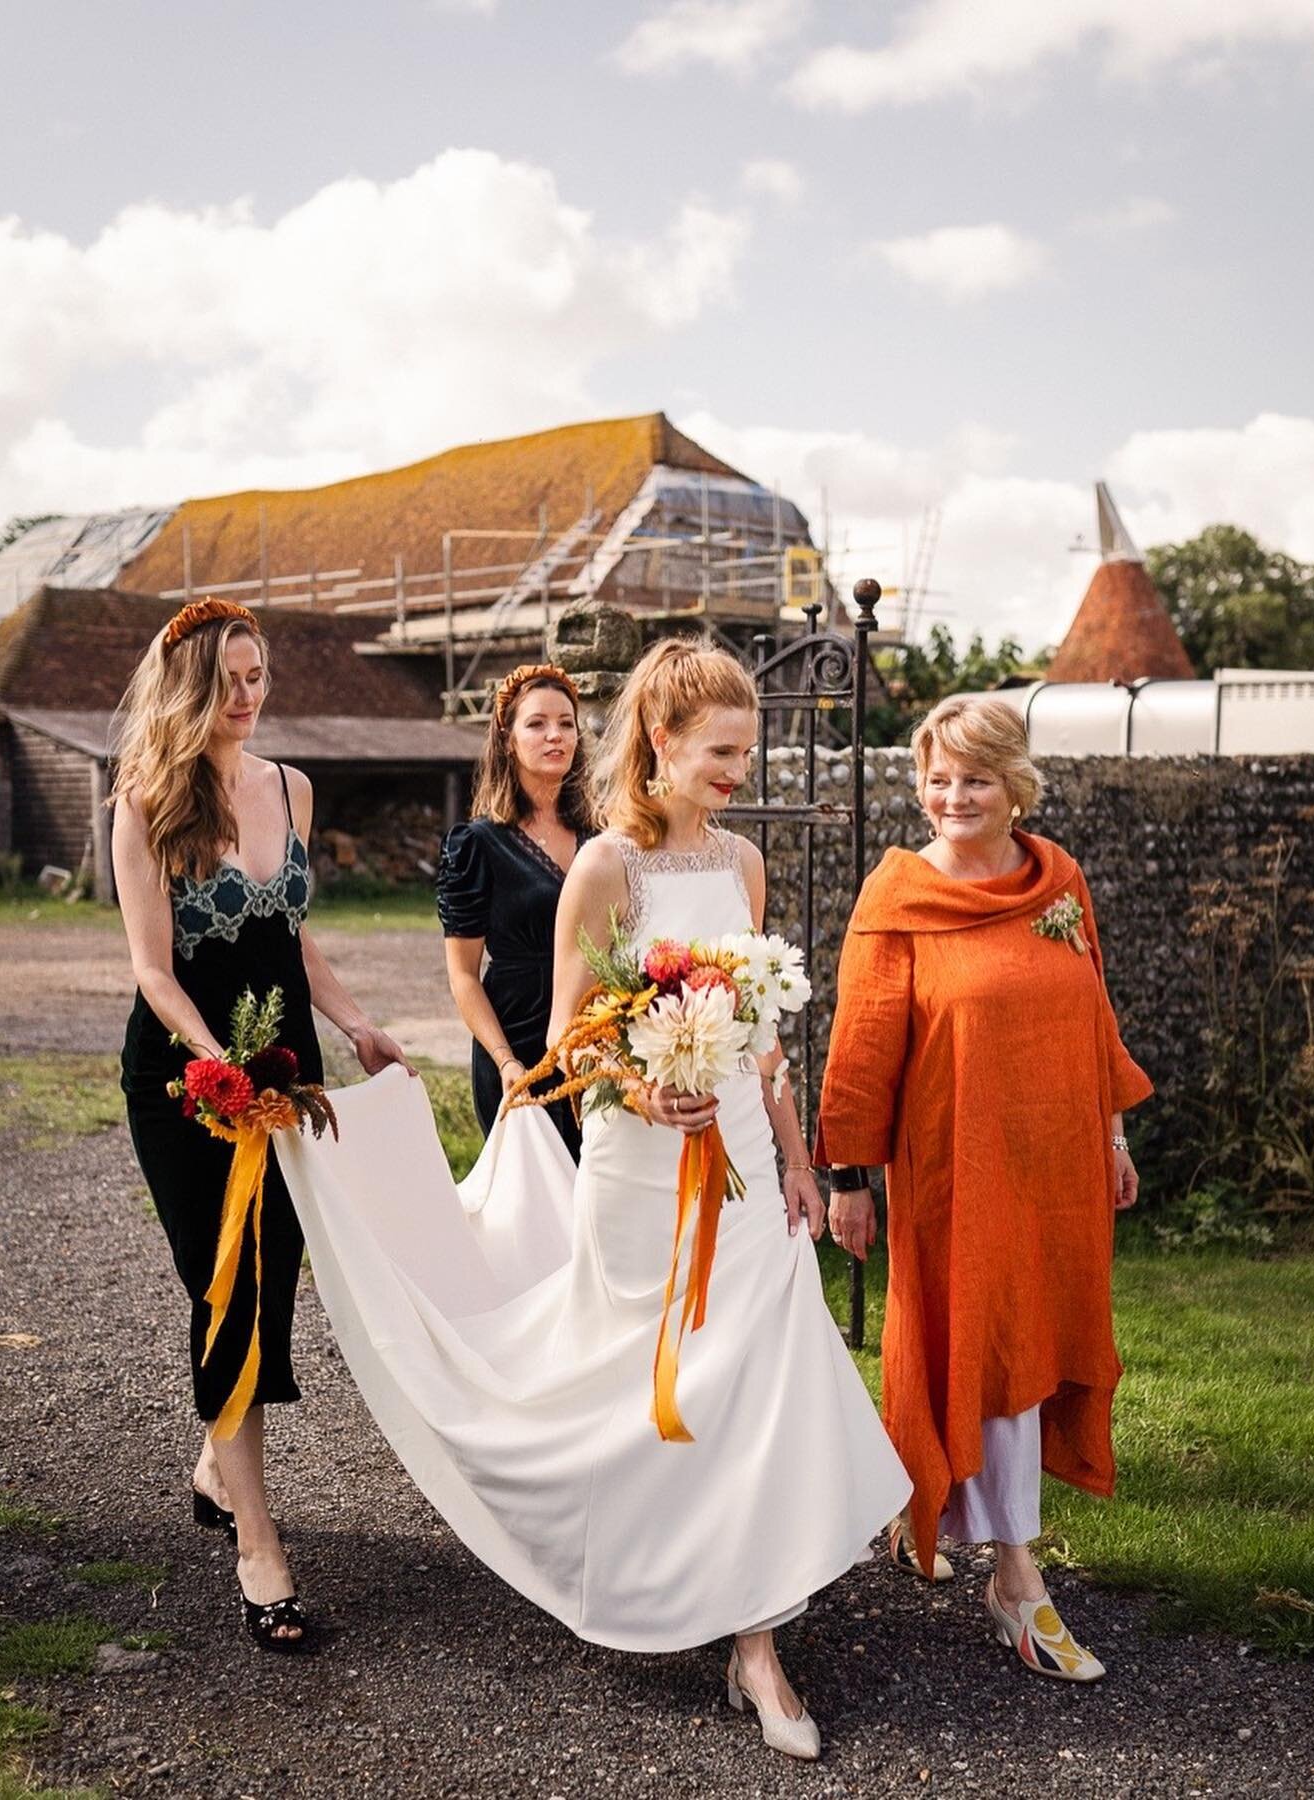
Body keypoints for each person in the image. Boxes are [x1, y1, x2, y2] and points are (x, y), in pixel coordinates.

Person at [273, 636, 910, 1760]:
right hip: (637, 1163)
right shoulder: (606, 868)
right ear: (660, 742)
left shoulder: (745, 865)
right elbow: (568, 1040)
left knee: (760, 1378)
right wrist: (642, 1083)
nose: (737, 773)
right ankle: (660, 1565)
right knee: (658, 1389)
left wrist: (800, 1160)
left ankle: (755, 1642)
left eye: (747, 753)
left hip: (748, 1173)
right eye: (720, 751)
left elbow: (763, 1045)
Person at [814, 694, 1152, 1684]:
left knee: (1035, 1347)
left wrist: (1114, 1130)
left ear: (1015, 787)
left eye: (974, 778)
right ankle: (1017, 1579)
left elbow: (1094, 1013)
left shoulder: (1057, 881)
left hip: (1057, 1170)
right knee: (985, 1350)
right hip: (954, 1176)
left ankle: (934, 1513)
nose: (952, 796)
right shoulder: (899, 896)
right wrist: (849, 1176)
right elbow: (862, 1044)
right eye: (938, 778)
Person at [113, 597, 410, 1652]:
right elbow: (153, 969)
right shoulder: (147, 799)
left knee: (275, 1274)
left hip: (289, 1069)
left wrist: (361, 1025)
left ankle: (211, 1461)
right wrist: (213, 1063)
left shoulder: (291, 785)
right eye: (231, 680)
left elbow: (291, 940)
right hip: (190, 1081)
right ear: (191, 686)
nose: (250, 696)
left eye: (259, 676)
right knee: (223, 1287)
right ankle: (258, 1546)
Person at [438, 663, 595, 1157]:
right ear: (508, 739)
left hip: (595, 1041)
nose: (555, 736)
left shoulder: (605, 837)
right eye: (537, 723)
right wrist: (505, 1061)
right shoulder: (478, 845)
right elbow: (463, 974)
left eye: (566, 723)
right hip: (516, 1047)